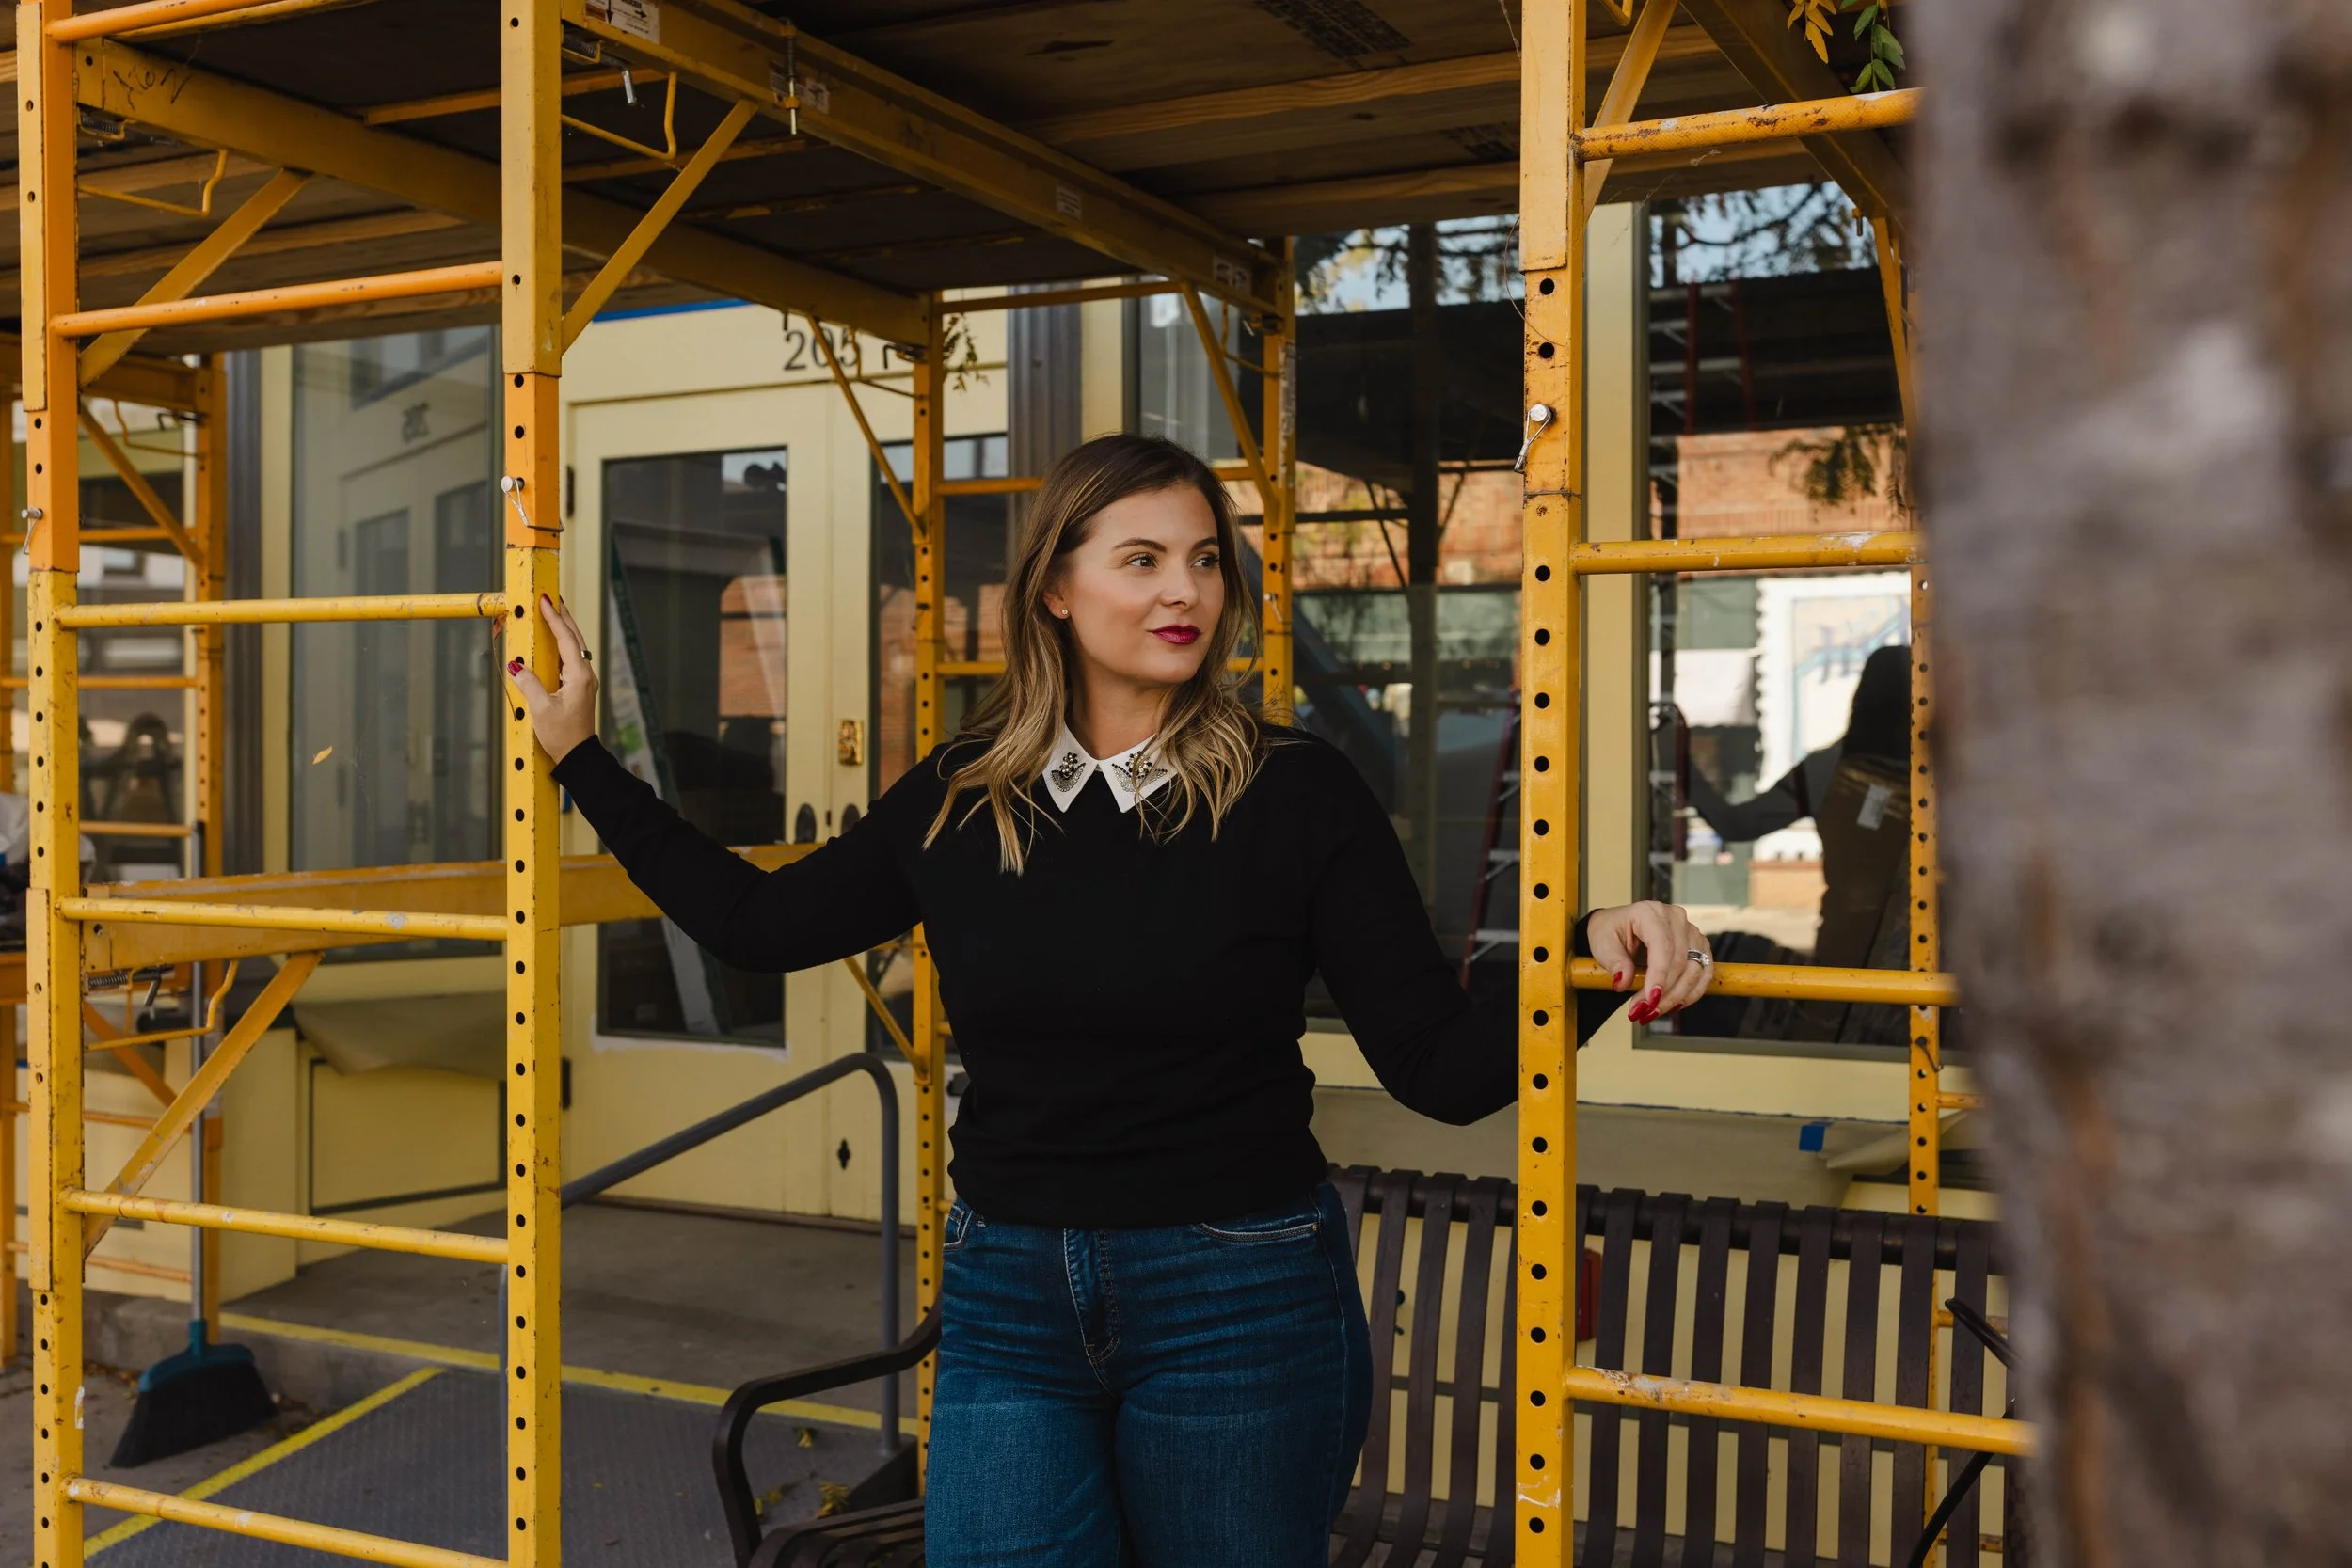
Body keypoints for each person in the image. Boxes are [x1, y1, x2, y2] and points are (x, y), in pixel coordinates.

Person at [511, 434, 1714, 1568]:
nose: (1180, 590)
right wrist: (583, 762)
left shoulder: (1297, 791)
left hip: (1236, 1289)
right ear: (1056, 589)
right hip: (1006, 1294)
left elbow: (1439, 1068)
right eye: (1138, 559)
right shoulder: (961, 794)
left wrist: (1582, 949)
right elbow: (756, 927)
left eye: (1202, 559)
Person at [1681, 642, 1912, 1041]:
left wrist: (1678, 758)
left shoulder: (1827, 771)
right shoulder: (1957, 777)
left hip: (1842, 960)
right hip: (1926, 969)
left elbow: (1736, 823)